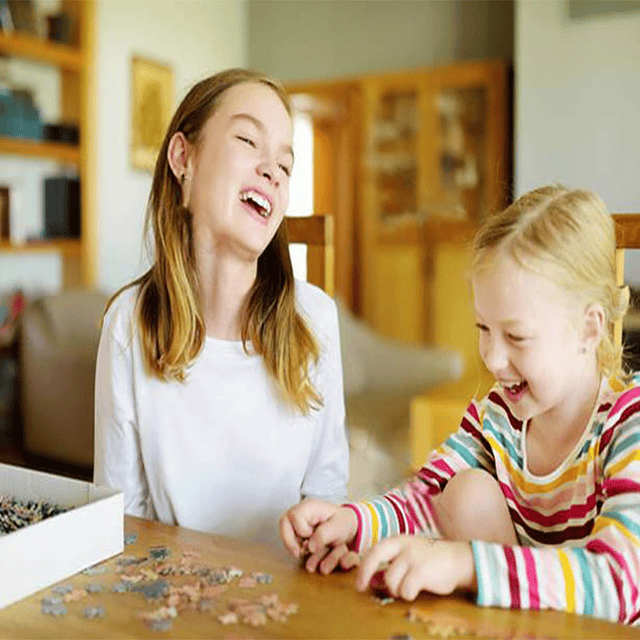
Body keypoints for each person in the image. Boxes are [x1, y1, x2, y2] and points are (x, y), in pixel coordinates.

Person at [280, 185, 640, 625]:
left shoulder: (629, 424)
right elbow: (428, 497)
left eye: (516, 337)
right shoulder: (499, 415)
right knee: (463, 491)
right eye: (484, 328)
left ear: (589, 329)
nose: (491, 357)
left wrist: (465, 564)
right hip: (531, 621)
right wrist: (355, 522)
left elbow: (620, 584)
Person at [94, 68, 349, 546]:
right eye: (249, 141)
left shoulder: (315, 318)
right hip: (167, 598)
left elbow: (327, 494)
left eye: (286, 164)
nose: (273, 170)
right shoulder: (129, 323)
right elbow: (123, 519)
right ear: (183, 157)